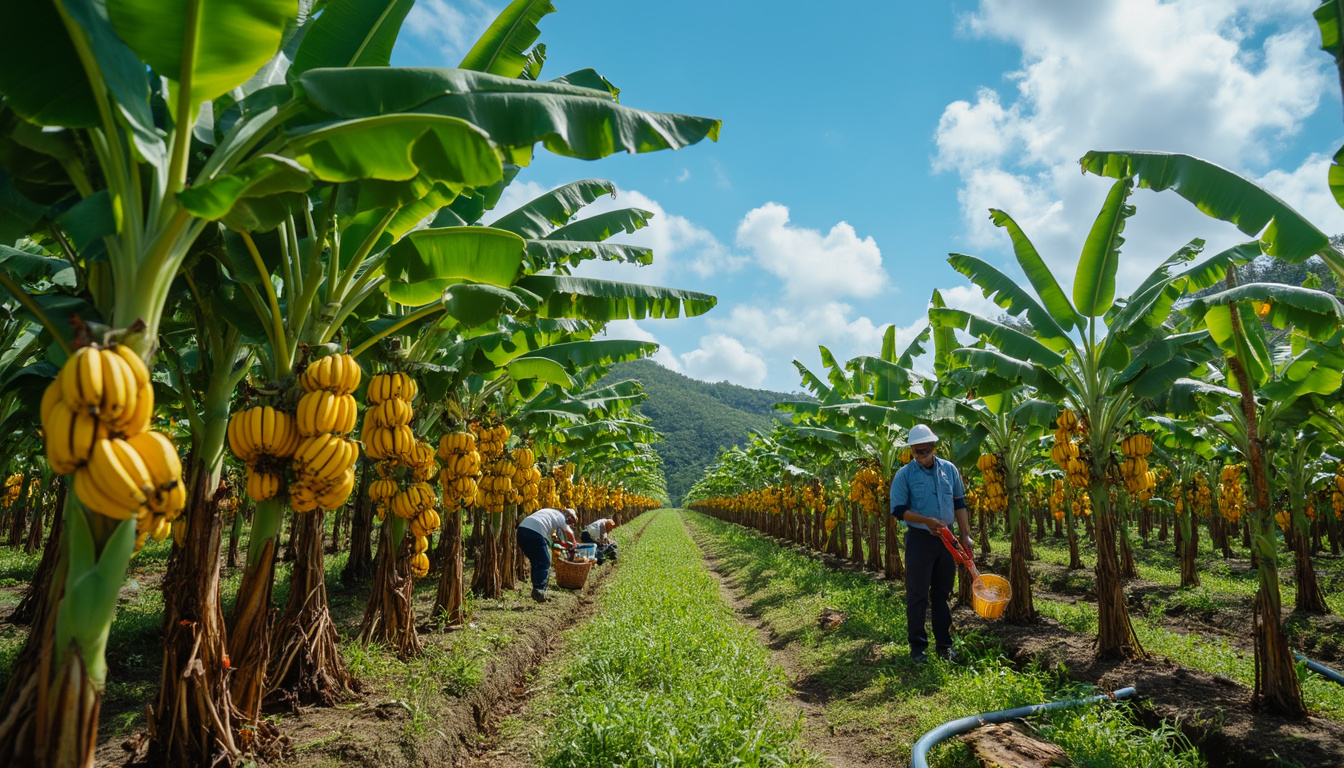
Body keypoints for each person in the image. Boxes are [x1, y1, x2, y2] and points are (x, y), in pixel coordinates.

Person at [889, 424, 972, 663]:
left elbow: (959, 503)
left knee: (942, 594)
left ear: (933, 448)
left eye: (924, 451)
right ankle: (917, 649)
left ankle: (944, 647)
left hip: (947, 539)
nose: (920, 455)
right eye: (916, 451)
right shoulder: (905, 474)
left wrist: (965, 536)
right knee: (917, 595)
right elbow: (899, 510)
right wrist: (927, 521)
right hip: (919, 540)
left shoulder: (949, 470)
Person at [517, 507, 579, 602]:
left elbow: (554, 539)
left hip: (521, 532)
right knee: (544, 562)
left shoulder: (549, 513)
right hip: (535, 532)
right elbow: (570, 533)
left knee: (536, 561)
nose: (569, 524)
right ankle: (539, 589)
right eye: (570, 522)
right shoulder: (561, 517)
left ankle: (538, 588)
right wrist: (574, 545)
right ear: (568, 517)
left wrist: (564, 544)